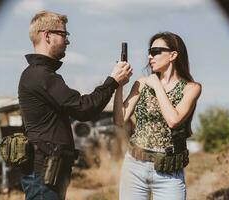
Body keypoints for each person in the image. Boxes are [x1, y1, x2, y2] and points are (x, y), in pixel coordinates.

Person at [18, 11, 132, 200]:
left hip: (49, 172)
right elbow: (83, 108)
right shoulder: (41, 75)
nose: (68, 41)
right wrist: (112, 81)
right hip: (44, 175)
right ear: (47, 35)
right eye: (64, 34)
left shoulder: (41, 74)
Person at [114, 32, 202, 200]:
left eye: (156, 51)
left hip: (168, 171)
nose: (150, 56)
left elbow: (173, 120)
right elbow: (119, 120)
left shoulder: (191, 88)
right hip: (134, 167)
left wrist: (156, 84)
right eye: (149, 51)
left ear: (173, 55)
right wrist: (119, 85)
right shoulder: (141, 83)